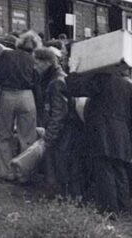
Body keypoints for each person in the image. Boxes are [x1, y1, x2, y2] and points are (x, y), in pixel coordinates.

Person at [66, 67, 132, 216]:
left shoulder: (101, 80)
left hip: (102, 133)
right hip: (122, 136)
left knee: (104, 171)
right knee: (120, 172)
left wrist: (75, 71)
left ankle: (109, 210)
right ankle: (125, 208)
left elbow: (75, 88)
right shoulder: (131, 87)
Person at [34, 48, 86, 197]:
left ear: (47, 63)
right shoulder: (59, 78)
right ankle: (70, 196)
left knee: (62, 165)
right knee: (68, 165)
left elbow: (59, 113)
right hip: (68, 129)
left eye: (37, 63)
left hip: (64, 131)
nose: (34, 67)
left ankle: (65, 196)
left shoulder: (56, 82)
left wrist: (49, 136)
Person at [0, 31, 40, 181]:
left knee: (4, 135)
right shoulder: (33, 60)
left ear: (19, 43)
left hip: (7, 95)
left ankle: (6, 171)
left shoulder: (6, 55)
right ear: (34, 47)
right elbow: (37, 81)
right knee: (27, 136)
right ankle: (24, 173)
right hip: (27, 96)